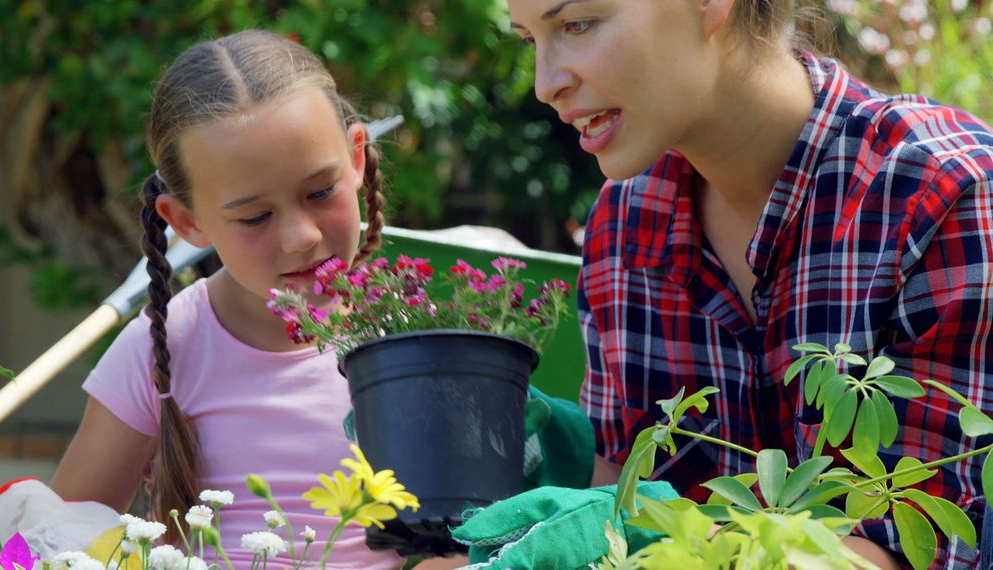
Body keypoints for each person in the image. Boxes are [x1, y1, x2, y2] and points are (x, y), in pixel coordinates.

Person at [455, 0, 993, 568]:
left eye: (577, 24)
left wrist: (667, 544)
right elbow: (635, 491)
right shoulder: (622, 226)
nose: (546, 85)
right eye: (529, 40)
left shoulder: (940, 194)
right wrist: (553, 458)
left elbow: (920, 548)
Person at [48, 29, 406, 568]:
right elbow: (61, 542)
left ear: (356, 158)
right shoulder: (163, 347)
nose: (300, 236)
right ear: (186, 221)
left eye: (319, 192)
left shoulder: (417, 336)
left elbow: (462, 536)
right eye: (255, 217)